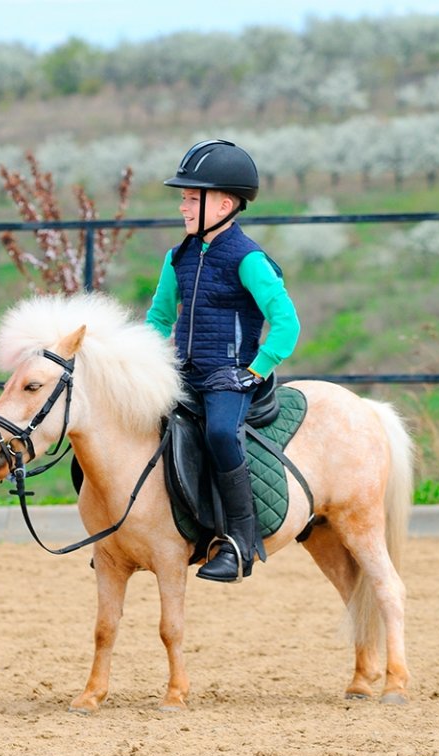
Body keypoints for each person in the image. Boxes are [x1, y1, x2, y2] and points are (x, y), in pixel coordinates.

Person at [145, 139, 300, 583]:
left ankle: (240, 543)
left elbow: (286, 323)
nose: (183, 207)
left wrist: (256, 369)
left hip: (231, 376)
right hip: (183, 373)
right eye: (183, 199)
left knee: (218, 432)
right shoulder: (178, 257)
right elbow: (158, 318)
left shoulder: (248, 259)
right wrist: (145, 365)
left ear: (224, 204)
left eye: (191, 199)